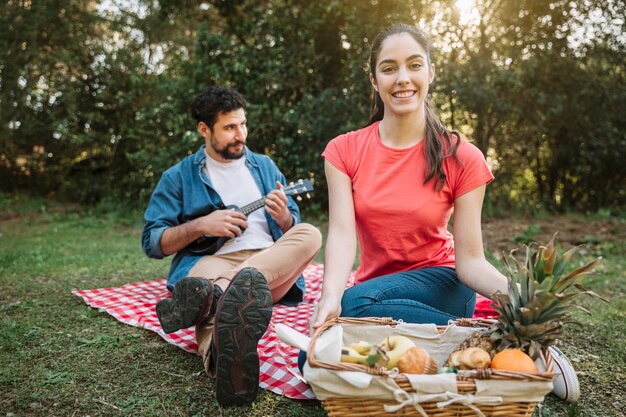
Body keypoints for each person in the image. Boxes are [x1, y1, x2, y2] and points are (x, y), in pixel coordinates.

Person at [308, 24, 579, 402]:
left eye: (414, 65)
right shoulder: (344, 151)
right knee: (348, 311)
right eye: (389, 68)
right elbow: (341, 233)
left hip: (444, 285)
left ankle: (509, 347)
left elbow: (470, 262)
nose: (402, 78)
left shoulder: (463, 157)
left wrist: (527, 312)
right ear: (374, 79)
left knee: (356, 306)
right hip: (378, 292)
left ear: (430, 72)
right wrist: (329, 297)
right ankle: (465, 345)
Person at [142, 86, 322, 407]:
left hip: (268, 263)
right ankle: (228, 365)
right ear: (204, 129)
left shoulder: (264, 166)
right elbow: (153, 242)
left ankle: (214, 297)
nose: (241, 135)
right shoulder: (178, 177)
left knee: (310, 233)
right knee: (220, 299)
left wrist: (283, 218)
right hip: (211, 261)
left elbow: (293, 226)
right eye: (229, 128)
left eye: (243, 124)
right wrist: (200, 225)